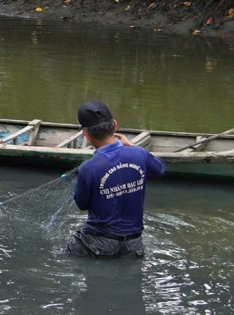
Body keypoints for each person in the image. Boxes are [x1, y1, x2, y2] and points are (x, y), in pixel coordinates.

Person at [66, 101, 166, 259]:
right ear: (115, 125)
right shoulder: (139, 153)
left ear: (85, 134)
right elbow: (160, 169)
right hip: (134, 245)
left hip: (96, 244)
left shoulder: (88, 168)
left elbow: (82, 204)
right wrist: (132, 146)